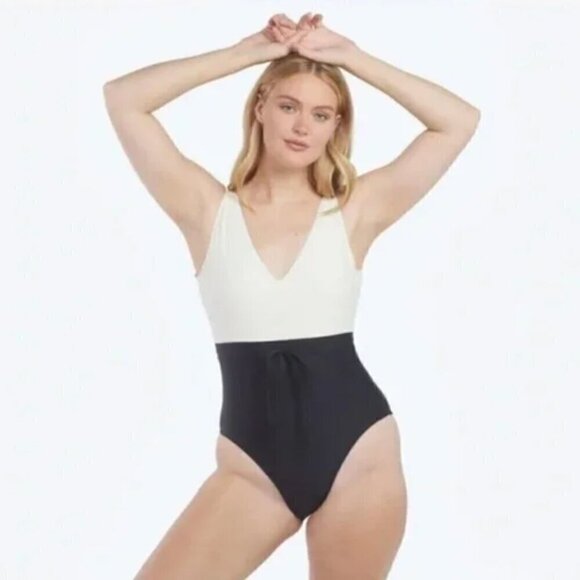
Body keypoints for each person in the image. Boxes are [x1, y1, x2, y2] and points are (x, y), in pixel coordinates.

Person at [103, 11, 480, 579]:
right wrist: (247, 53)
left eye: (321, 114)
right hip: (253, 468)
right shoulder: (206, 211)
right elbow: (124, 99)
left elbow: (457, 122)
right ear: (260, 107)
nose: (303, 126)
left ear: (335, 127)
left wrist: (350, 56)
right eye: (288, 106)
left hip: (360, 456)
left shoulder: (355, 211)